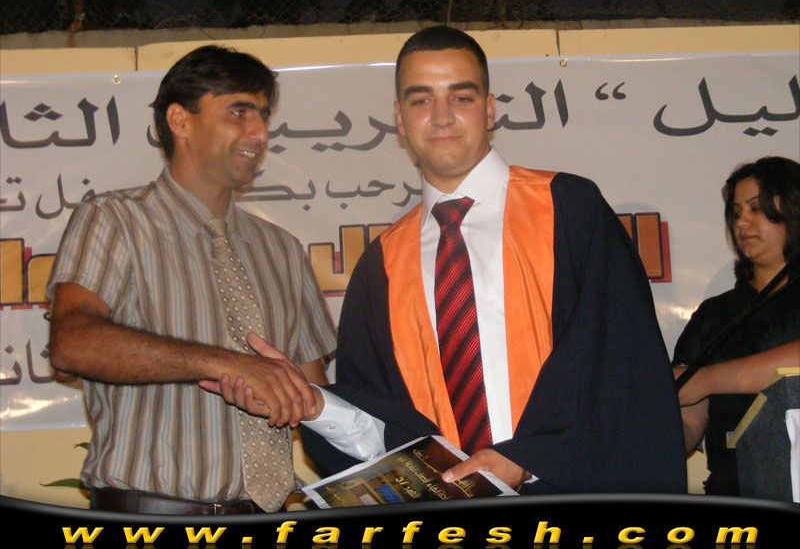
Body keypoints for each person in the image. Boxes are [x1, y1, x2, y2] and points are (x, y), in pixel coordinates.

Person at [216, 26, 686, 493]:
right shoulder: (381, 268)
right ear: (400, 120)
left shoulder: (569, 210)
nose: (441, 117)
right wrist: (314, 405)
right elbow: (387, 436)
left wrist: (527, 460)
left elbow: (623, 372)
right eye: (421, 100)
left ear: (489, 109)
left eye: (461, 97)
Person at [46, 45, 336, 514]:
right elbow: (72, 343)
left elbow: (314, 394)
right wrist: (227, 365)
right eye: (239, 112)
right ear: (180, 121)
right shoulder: (116, 220)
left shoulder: (283, 250)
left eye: (263, 116)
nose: (259, 133)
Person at [672, 156, 800, 497]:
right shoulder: (715, 314)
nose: (742, 221)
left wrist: (707, 379)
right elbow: (689, 418)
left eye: (756, 208)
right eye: (736, 212)